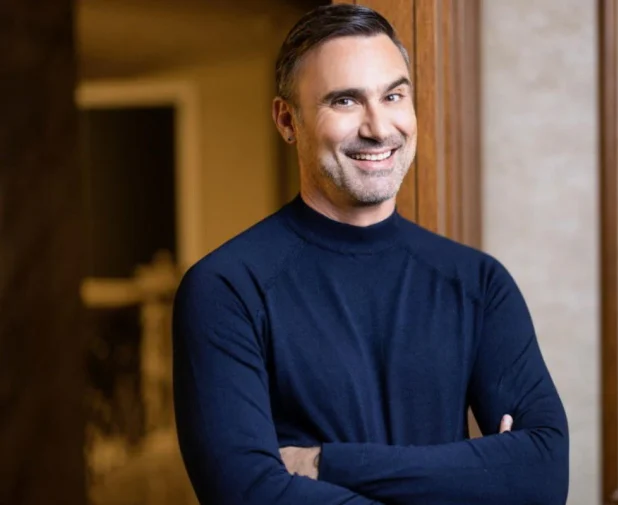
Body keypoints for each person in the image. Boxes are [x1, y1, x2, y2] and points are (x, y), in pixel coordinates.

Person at [172, 4, 569, 504]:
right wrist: (479, 474)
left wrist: (325, 463)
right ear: (287, 120)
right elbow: (248, 493)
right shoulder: (226, 289)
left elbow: (542, 477)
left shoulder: (478, 283)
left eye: (393, 96)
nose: (379, 128)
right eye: (345, 101)